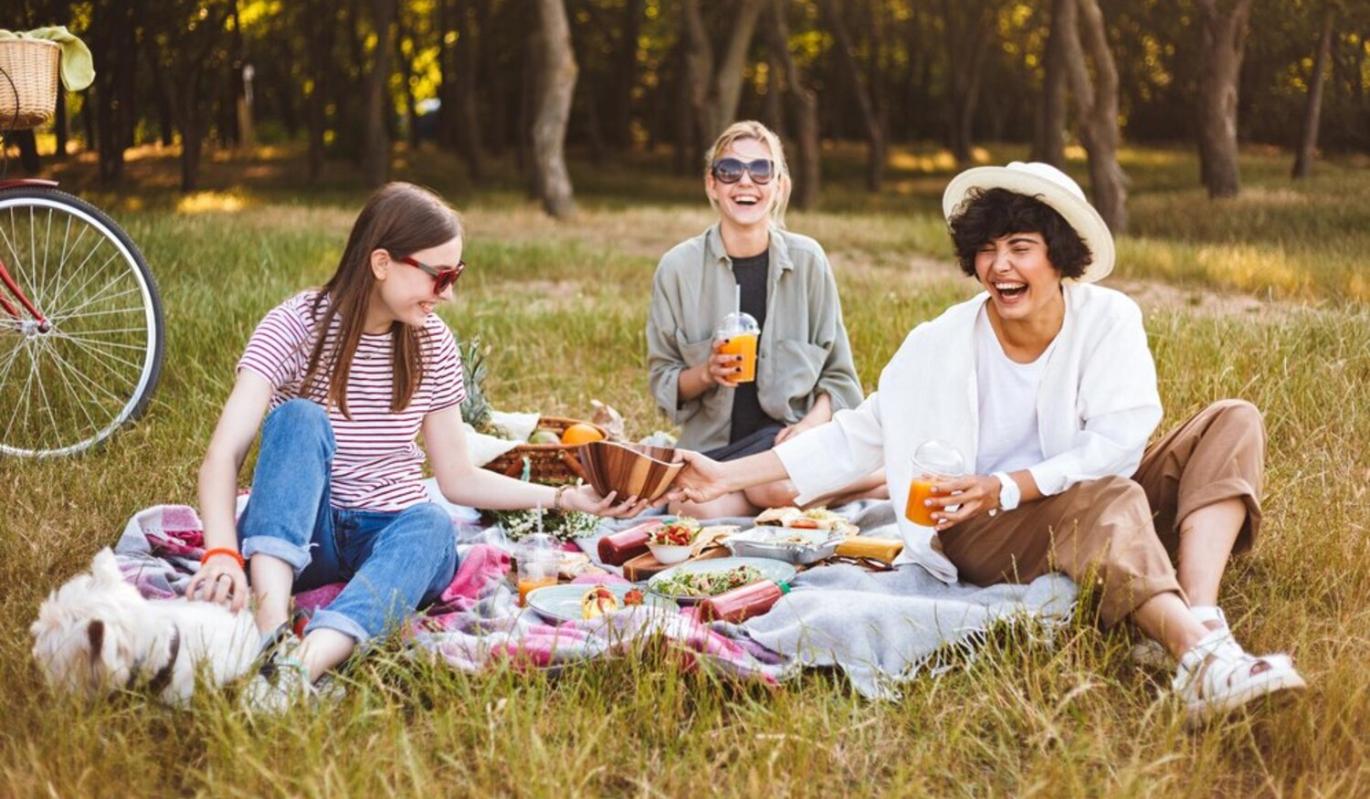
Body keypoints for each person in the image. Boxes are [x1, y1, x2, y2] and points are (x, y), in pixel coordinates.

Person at [673, 162, 1305, 724]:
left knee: (1233, 418)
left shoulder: (1109, 321)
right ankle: (1198, 654)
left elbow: (1119, 441)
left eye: (1021, 248)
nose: (1000, 266)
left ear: (1059, 255)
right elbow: (856, 437)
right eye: (987, 249)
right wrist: (725, 477)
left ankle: (1203, 622)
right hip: (978, 528)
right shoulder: (938, 343)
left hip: (1075, 499)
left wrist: (1011, 484)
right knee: (1105, 497)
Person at [188, 182, 649, 711]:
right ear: (382, 262)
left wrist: (564, 498)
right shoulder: (296, 324)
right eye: (440, 276)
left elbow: (457, 478)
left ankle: (302, 664)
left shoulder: (431, 343)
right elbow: (223, 454)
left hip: (388, 535)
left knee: (432, 524)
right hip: (301, 536)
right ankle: (270, 634)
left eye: (457, 275)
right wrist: (221, 553)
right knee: (297, 418)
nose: (448, 293)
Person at [646, 120, 884, 517]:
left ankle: (870, 479)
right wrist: (707, 373)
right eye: (730, 170)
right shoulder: (677, 268)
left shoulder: (809, 262)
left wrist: (808, 429)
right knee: (695, 512)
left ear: (779, 186)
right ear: (712, 185)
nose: (746, 182)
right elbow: (663, 383)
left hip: (787, 444)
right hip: (716, 451)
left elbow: (840, 379)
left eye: (761, 170)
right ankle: (869, 485)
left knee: (775, 483)